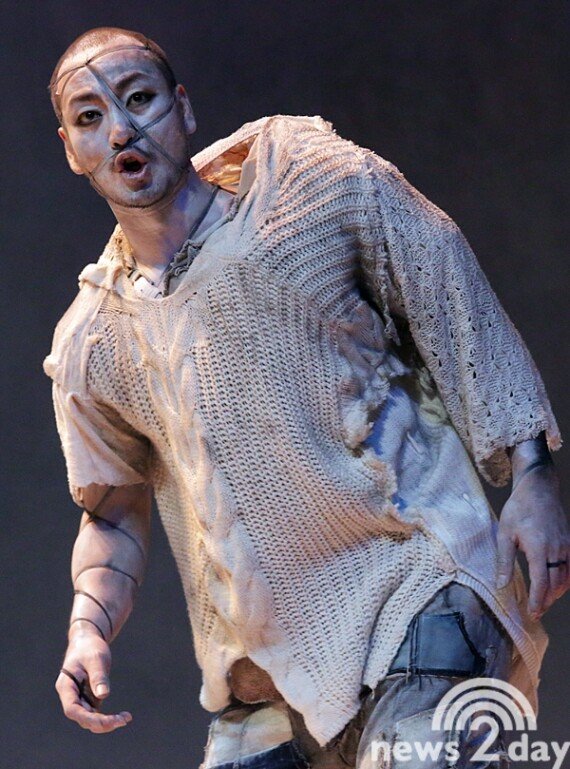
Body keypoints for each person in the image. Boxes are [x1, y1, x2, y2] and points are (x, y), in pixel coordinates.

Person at [44, 26, 568, 768]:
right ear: (71, 148)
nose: (122, 130)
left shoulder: (301, 192)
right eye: (91, 116)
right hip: (265, 677)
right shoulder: (95, 341)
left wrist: (532, 475)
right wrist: (88, 627)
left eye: (139, 99)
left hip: (413, 592)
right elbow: (111, 511)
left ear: (182, 108)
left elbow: (444, 283)